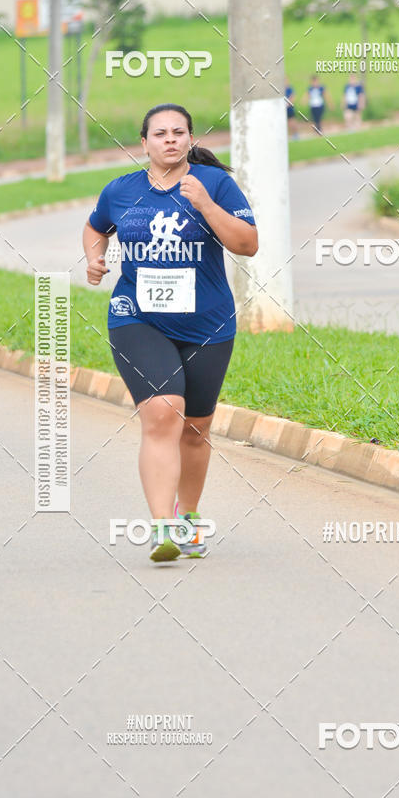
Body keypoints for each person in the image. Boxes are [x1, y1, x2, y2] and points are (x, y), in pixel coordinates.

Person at [83, 103, 258, 563]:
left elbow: (247, 244)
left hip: (207, 323)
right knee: (163, 411)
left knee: (196, 429)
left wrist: (203, 202)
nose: (169, 140)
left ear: (190, 138)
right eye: (159, 133)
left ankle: (189, 516)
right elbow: (95, 227)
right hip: (137, 317)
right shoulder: (120, 191)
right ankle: (163, 526)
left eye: (178, 132)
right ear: (144, 143)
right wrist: (94, 257)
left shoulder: (215, 184)